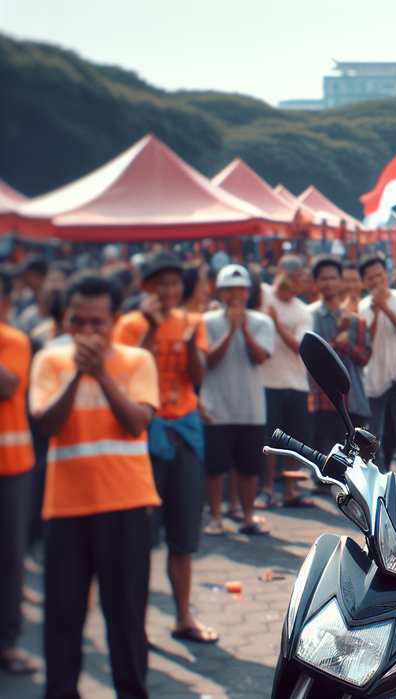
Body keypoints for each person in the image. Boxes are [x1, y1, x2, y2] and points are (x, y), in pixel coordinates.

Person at [30, 271, 161, 699]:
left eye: (97, 322)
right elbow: (46, 424)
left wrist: (101, 374)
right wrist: (76, 376)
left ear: (116, 319)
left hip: (126, 505)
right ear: (66, 319)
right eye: (77, 322)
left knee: (126, 621)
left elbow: (136, 424)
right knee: (62, 622)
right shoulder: (49, 360)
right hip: (65, 510)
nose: (86, 332)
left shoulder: (137, 361)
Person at [112, 251, 216, 643]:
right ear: (146, 288)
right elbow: (124, 373)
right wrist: (151, 328)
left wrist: (189, 345)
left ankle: (183, 617)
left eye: (174, 283)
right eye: (161, 284)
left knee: (183, 535)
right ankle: (132, 626)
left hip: (185, 433)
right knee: (138, 538)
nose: (169, 290)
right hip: (142, 438)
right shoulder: (128, 324)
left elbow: (198, 376)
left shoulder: (193, 321)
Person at [200, 264, 274, 537]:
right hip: (217, 408)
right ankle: (217, 517)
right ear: (220, 292)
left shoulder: (261, 322)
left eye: (241, 289)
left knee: (248, 467)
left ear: (248, 293)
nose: (235, 295)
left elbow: (260, 357)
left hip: (251, 408)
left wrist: (242, 330)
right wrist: (230, 330)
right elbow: (209, 360)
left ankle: (248, 516)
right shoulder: (207, 323)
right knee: (216, 468)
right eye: (229, 290)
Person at [0, 269, 38, 674]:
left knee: (8, 557)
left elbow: (7, 385)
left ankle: (6, 642)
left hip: (11, 470)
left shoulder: (13, 340)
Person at [258, 254, 314, 508]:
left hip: (295, 383)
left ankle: (290, 490)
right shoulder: (261, 294)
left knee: (292, 442)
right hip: (266, 380)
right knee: (269, 441)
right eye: (294, 277)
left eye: (300, 278)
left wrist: (276, 323)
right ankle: (267, 489)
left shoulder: (302, 310)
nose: (297, 283)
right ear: (281, 273)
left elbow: (299, 346)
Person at [359, 255, 396, 473]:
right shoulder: (364, 305)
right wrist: (375, 311)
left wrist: (384, 306)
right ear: (365, 282)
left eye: (379, 275)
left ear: (388, 275)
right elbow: (367, 343)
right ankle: (378, 476)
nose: (376, 281)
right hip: (374, 379)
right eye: (370, 278)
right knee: (374, 434)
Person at [308, 256, 371, 449]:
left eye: (333, 278)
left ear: (340, 281)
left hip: (354, 399)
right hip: (322, 400)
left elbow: (365, 357)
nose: (329, 283)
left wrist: (345, 342)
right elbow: (312, 356)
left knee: (355, 462)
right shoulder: (309, 315)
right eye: (324, 279)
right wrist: (338, 337)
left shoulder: (355, 320)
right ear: (316, 283)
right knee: (325, 462)